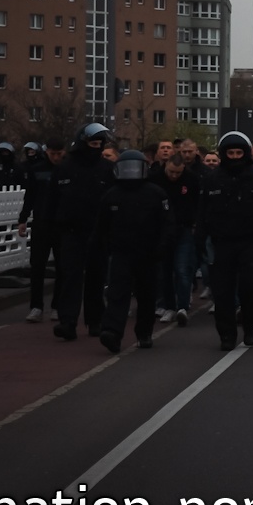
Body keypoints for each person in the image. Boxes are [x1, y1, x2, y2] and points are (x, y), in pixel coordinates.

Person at [196, 131, 253, 350]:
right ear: (224, 153)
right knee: (222, 292)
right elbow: (202, 212)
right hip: (221, 243)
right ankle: (227, 335)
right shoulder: (212, 178)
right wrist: (200, 239)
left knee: (250, 288)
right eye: (230, 153)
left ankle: (249, 327)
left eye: (238, 152)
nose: (234, 157)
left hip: (249, 242)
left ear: (245, 153)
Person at [94, 150, 175, 353]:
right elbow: (101, 226)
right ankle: (112, 332)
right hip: (121, 253)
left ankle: (144, 332)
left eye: (134, 168)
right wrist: (101, 247)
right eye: (126, 168)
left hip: (149, 253)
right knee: (117, 293)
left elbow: (167, 224)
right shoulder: (111, 195)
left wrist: (162, 248)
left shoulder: (156, 193)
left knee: (147, 295)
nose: (130, 172)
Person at [46, 123, 115, 341]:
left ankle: (95, 321)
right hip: (71, 232)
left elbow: (113, 200)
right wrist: (54, 226)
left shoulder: (106, 169)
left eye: (99, 144)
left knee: (96, 277)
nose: (96, 147)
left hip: (98, 232)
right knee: (70, 277)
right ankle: (68, 322)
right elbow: (52, 200)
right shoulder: (64, 168)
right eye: (92, 143)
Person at [151, 153, 201, 326]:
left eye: (178, 173)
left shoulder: (191, 179)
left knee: (182, 268)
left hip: (183, 229)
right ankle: (168, 306)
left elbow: (197, 202)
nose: (174, 176)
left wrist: (194, 223)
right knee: (164, 270)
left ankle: (182, 306)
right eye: (171, 172)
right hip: (162, 230)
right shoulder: (155, 179)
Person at [17, 141, 56, 323]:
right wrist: (23, 219)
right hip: (41, 223)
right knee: (37, 266)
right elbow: (30, 196)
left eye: (59, 153)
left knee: (63, 266)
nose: (56, 157)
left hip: (62, 224)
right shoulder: (37, 169)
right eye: (53, 153)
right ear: (47, 152)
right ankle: (36, 306)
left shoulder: (66, 169)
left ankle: (57, 306)